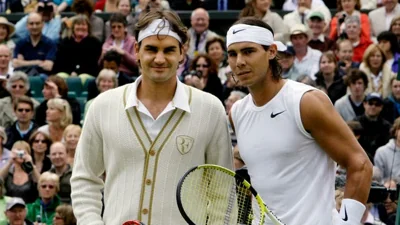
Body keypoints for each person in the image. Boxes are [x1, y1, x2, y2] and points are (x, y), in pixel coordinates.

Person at [70, 9, 233, 225]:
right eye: (151, 49)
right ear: (137, 50)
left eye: (168, 50)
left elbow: (223, 191)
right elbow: (84, 179)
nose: (159, 58)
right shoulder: (103, 106)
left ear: (182, 53)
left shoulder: (210, 109)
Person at [226, 17, 372, 224]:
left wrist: (347, 223)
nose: (239, 61)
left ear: (271, 52)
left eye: (249, 51)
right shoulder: (237, 113)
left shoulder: (306, 102)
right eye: (232, 54)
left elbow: (360, 165)